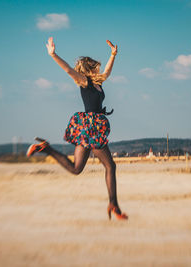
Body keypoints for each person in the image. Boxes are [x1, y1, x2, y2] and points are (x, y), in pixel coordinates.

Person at [27, 37, 127, 220]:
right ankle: (114, 205)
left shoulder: (98, 83)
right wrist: (53, 54)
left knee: (76, 169)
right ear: (90, 68)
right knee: (110, 166)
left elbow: (107, 73)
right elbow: (68, 70)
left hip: (91, 128)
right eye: (96, 66)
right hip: (91, 128)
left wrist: (113, 54)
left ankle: (45, 148)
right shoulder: (84, 81)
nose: (99, 68)